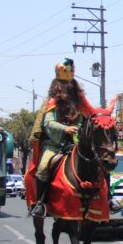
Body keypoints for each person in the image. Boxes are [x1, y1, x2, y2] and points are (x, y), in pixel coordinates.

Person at [27, 58, 98, 218]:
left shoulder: (79, 103)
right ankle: (40, 203)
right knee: (43, 166)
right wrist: (65, 129)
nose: (68, 88)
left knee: (97, 162)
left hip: (75, 145)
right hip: (54, 145)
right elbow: (48, 123)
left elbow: (88, 118)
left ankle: (105, 199)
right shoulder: (52, 102)